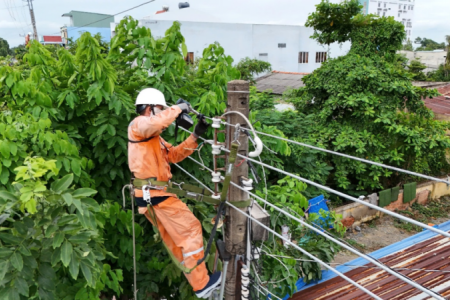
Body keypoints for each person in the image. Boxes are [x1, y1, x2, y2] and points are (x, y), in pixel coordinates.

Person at [128, 88, 221, 298]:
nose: (163, 113)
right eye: (159, 109)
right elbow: (156, 122)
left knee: (179, 241)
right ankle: (202, 284)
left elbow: (174, 155)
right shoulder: (138, 125)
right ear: (150, 108)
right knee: (191, 230)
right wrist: (177, 108)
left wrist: (195, 135)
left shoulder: (154, 138)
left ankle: (198, 281)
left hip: (153, 195)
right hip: (156, 194)